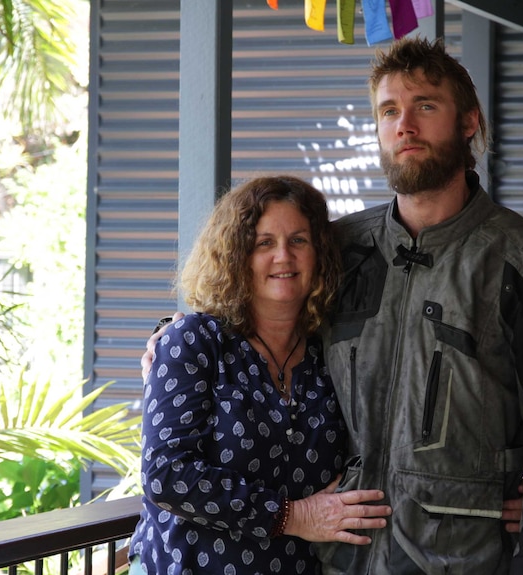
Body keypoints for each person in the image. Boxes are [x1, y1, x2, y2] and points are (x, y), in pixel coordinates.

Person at [144, 36, 523, 575]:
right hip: (338, 560)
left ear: (469, 122)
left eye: (425, 106)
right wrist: (174, 331)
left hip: (463, 560)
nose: (405, 125)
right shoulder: (339, 252)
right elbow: (254, 298)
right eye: (389, 111)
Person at [128, 176, 392, 575]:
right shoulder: (195, 341)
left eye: (299, 240)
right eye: (264, 243)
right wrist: (293, 516)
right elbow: (166, 474)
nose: (283, 256)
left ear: (319, 254)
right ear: (236, 256)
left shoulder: (331, 355)